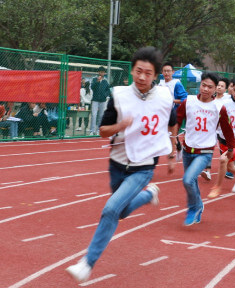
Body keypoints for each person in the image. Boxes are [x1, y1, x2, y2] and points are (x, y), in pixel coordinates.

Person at [65, 47, 177, 283]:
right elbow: (102, 132)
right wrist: (121, 126)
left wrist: (172, 151)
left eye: (148, 73)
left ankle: (87, 263)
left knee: (110, 209)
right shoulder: (119, 96)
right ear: (132, 71)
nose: (142, 77)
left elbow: (173, 122)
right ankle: (148, 196)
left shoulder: (164, 97)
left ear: (155, 75)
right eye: (138, 71)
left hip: (144, 166)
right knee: (122, 210)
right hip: (117, 163)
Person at [174, 71, 235, 226]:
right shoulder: (189, 101)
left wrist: (230, 147)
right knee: (191, 181)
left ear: (215, 89)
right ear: (199, 85)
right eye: (204, 85)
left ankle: (193, 208)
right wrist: (172, 137)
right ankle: (198, 205)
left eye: (210, 87)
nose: (206, 89)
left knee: (188, 180)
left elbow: (227, 128)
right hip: (188, 149)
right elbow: (177, 119)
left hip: (205, 152)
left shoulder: (219, 107)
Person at [200, 76, 231, 182]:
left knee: (225, 151)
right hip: (211, 128)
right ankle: (207, 170)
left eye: (222, 86)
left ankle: (230, 167)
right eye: (218, 85)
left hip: (223, 129)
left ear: (226, 89)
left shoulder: (227, 99)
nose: (219, 87)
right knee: (208, 147)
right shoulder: (211, 98)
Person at [90, 69, 111, 135]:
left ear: (104, 73)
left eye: (103, 72)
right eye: (101, 72)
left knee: (101, 115)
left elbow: (108, 90)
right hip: (95, 99)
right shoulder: (94, 79)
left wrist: (105, 95)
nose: (102, 73)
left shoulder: (106, 80)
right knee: (94, 115)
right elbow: (92, 87)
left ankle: (99, 130)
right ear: (98, 72)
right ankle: (92, 130)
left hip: (103, 100)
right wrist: (97, 81)